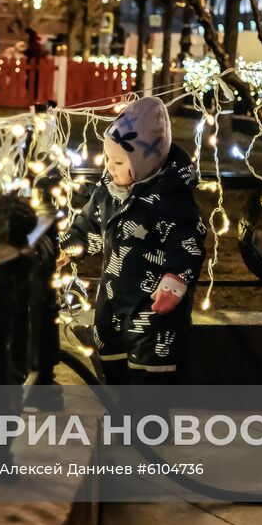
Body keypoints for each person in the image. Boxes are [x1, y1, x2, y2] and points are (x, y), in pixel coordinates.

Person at [60, 96, 207, 384]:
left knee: (148, 378)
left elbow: (188, 242)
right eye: (108, 159)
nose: (110, 167)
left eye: (118, 161)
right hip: (112, 301)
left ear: (144, 161)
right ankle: (118, 418)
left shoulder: (171, 201)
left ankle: (145, 425)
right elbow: (90, 225)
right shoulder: (108, 191)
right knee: (111, 364)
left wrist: (175, 279)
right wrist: (68, 247)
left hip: (152, 311)